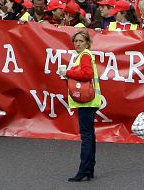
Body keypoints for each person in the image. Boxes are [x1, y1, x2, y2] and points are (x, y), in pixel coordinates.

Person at [58, 30, 103, 182]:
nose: (77, 44)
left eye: (80, 41)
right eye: (76, 41)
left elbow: (86, 74)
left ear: (87, 43)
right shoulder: (85, 55)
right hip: (90, 100)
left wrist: (68, 72)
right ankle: (89, 168)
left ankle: (84, 170)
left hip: (87, 101)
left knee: (86, 136)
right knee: (89, 134)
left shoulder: (84, 55)